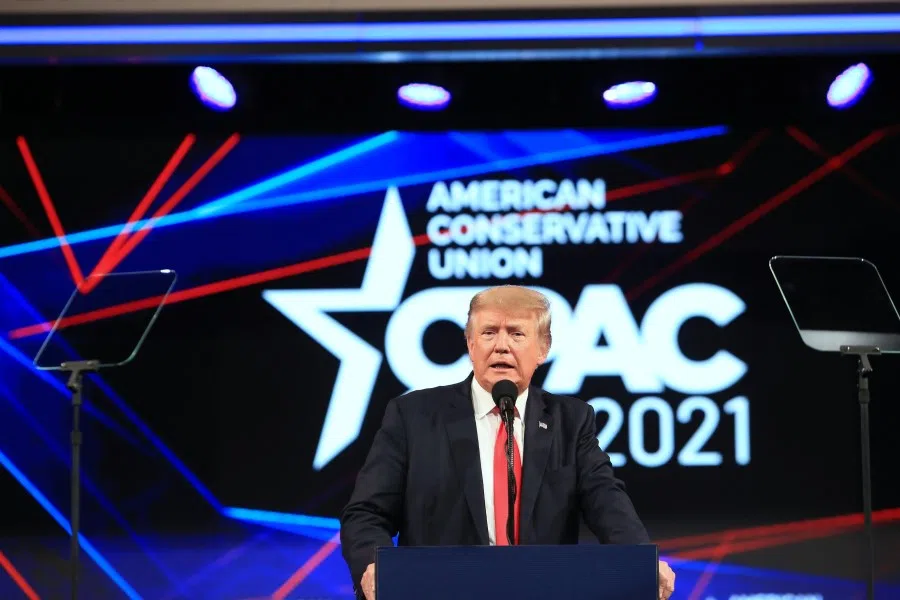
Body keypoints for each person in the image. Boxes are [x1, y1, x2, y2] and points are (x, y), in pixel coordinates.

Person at [340, 285, 675, 600]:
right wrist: (373, 567)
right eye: (488, 333)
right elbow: (366, 512)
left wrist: (640, 561)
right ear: (470, 344)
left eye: (516, 333)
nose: (501, 346)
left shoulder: (570, 421)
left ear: (543, 348)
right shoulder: (413, 417)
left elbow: (607, 501)